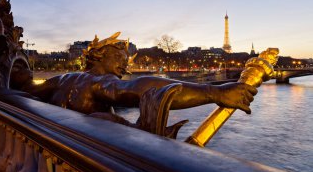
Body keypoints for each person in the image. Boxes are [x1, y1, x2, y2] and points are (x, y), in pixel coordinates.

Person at [25, 33, 257, 121]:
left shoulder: (63, 79)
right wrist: (215, 92)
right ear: (100, 55)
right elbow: (140, 88)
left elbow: (26, 90)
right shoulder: (98, 82)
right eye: (120, 59)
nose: (124, 67)